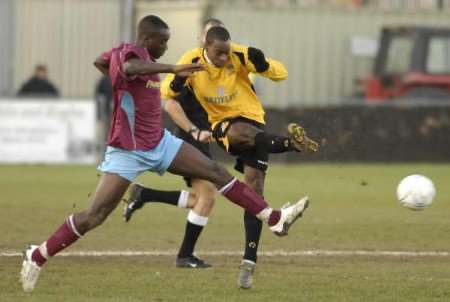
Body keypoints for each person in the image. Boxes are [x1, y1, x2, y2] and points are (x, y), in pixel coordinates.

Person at [19, 15, 310, 293]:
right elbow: (130, 68)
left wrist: (109, 68)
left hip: (160, 143)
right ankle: (38, 255)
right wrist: (170, 69)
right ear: (147, 39)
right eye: (163, 42)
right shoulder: (129, 54)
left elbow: (101, 61)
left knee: (216, 172)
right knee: (94, 217)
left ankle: (274, 218)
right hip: (127, 152)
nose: (167, 47)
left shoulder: (142, 59)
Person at [123, 24, 319, 288]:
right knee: (213, 182)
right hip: (217, 128)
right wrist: (180, 85)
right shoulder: (191, 60)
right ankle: (291, 144)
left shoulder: (239, 54)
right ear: (205, 44)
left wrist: (264, 65)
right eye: (219, 53)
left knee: (254, 191)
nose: (225, 59)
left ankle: (249, 262)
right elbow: (167, 95)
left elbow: (280, 73)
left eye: (227, 52)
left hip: (254, 122)